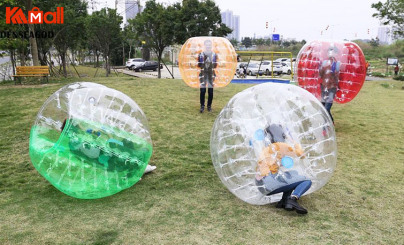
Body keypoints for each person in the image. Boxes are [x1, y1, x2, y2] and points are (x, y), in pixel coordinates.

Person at [255, 124, 312, 214]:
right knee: (307, 180)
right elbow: (301, 154)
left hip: (261, 185)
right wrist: (292, 140)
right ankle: (293, 198)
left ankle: (284, 201)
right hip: (270, 183)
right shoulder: (280, 145)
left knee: (293, 173)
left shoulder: (265, 148)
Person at [319, 44, 340, 123]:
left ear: (336, 53)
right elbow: (321, 75)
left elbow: (338, 76)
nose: (331, 53)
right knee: (323, 108)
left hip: (332, 88)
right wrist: (320, 68)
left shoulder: (337, 64)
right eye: (329, 51)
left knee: (326, 108)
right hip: (324, 88)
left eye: (333, 51)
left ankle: (326, 126)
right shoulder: (324, 63)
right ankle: (330, 122)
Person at [197, 39, 218, 113]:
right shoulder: (201, 54)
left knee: (210, 91)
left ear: (211, 45)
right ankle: (202, 106)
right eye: (207, 44)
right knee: (202, 91)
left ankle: (209, 106)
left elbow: (215, 65)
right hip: (203, 74)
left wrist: (212, 62)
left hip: (211, 74)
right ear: (205, 45)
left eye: (209, 44)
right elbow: (199, 65)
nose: (208, 46)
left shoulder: (214, 54)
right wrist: (203, 61)